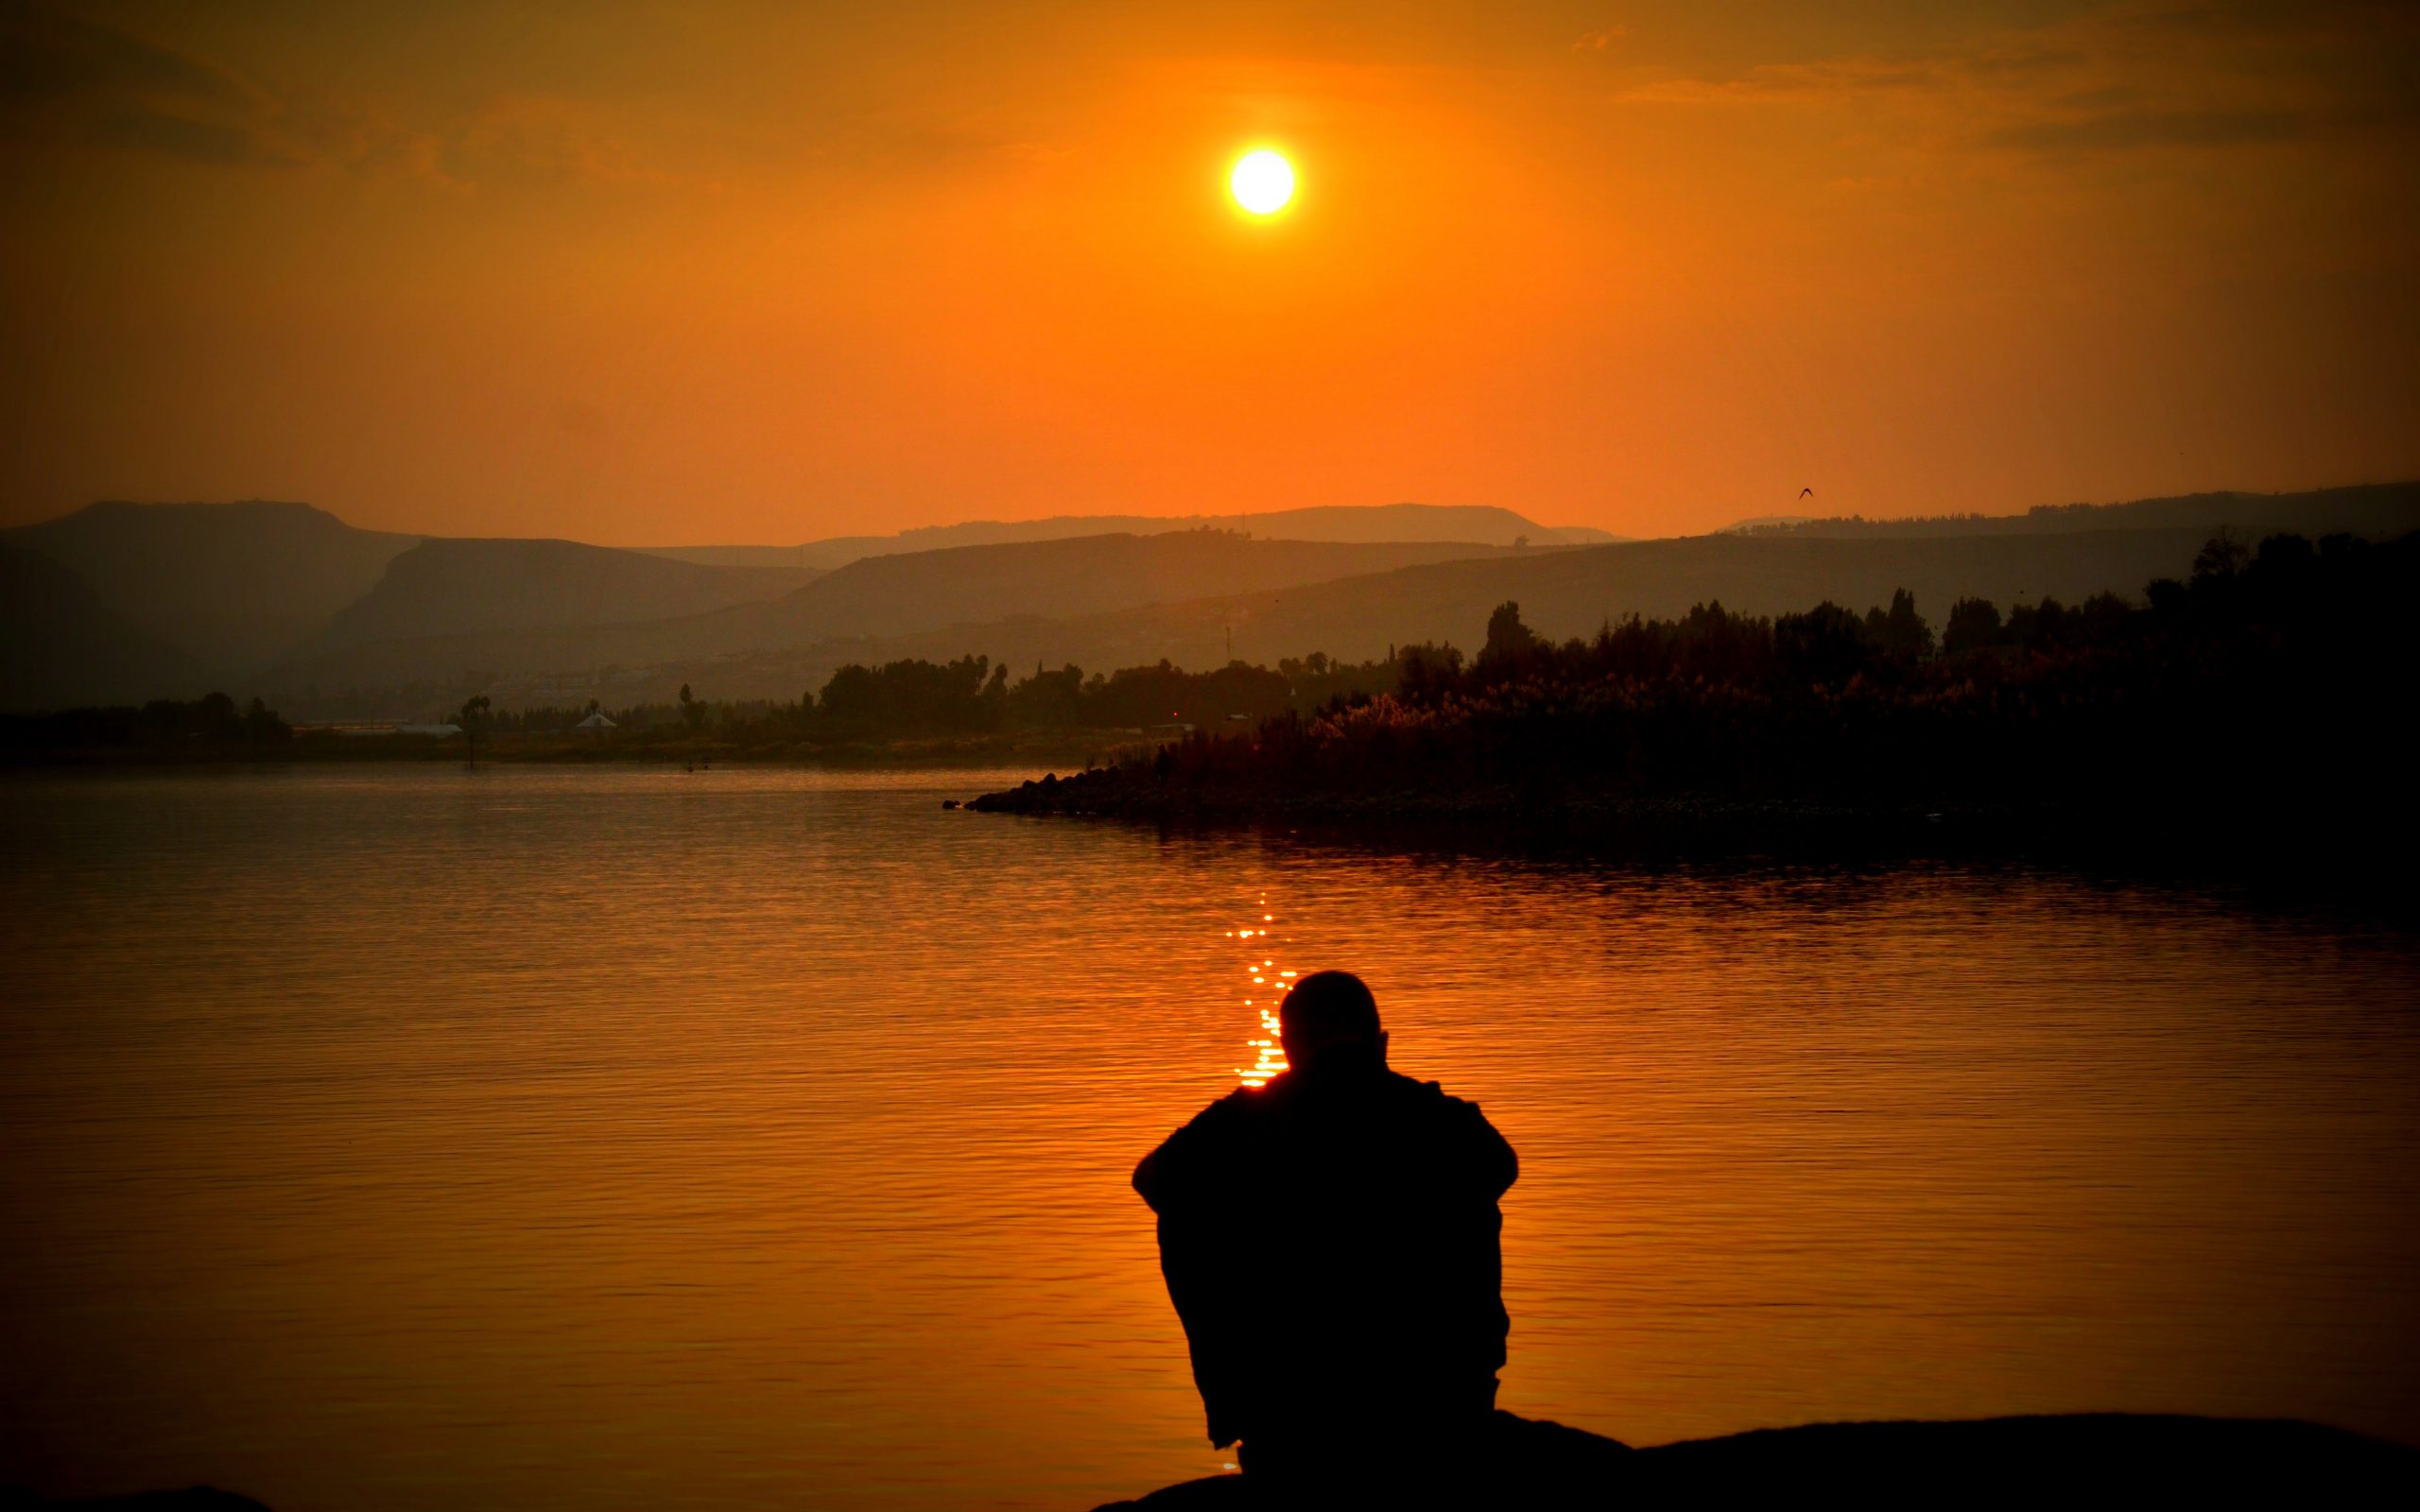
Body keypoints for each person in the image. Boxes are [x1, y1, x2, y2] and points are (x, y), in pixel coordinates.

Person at [1132, 971, 1519, 1499]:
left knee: (1183, 1208)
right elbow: (1501, 1168)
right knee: (1470, 1193)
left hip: (1295, 1393)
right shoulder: (1441, 1118)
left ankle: (1247, 1403)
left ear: (1288, 1048)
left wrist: (1259, 1209)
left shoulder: (1248, 1118)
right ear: (1381, 1043)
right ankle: (1453, 1387)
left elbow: (1151, 1180)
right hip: (1441, 1388)